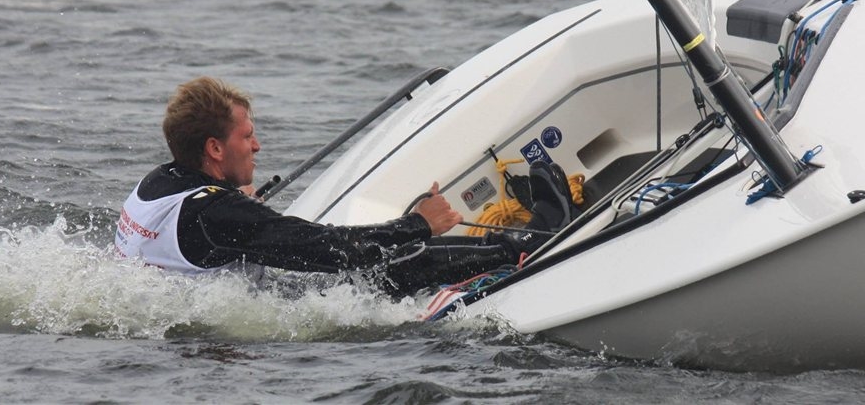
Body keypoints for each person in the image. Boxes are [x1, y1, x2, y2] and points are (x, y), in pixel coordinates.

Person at [115, 76, 578, 295]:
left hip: (200, 302)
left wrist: (237, 205)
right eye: (247, 136)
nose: (257, 146)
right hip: (263, 317)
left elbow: (209, 226)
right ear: (214, 149)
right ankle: (524, 246)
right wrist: (418, 224)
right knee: (396, 263)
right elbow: (334, 250)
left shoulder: (157, 183)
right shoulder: (217, 214)